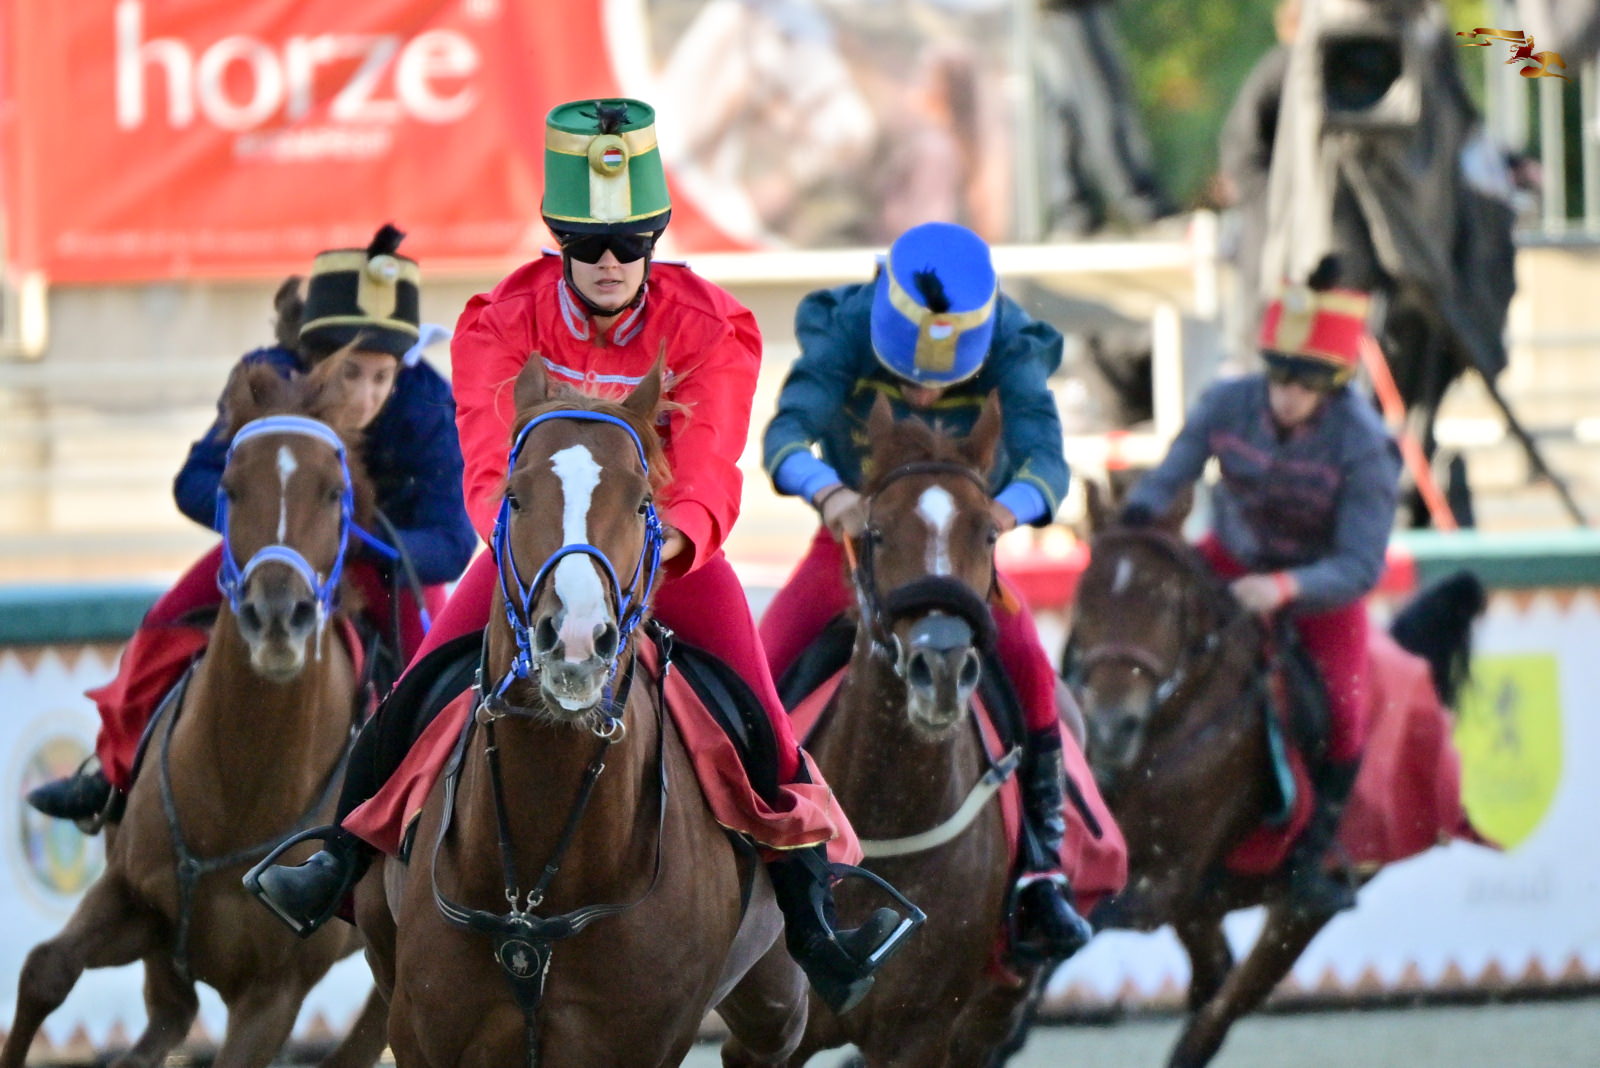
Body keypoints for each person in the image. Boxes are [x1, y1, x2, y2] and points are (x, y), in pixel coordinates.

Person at [247, 98, 909, 1016]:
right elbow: (489, 466)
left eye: (630, 245)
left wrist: (661, 546)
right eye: (589, 244)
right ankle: (336, 860)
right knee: (418, 687)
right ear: (559, 240)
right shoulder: (498, 320)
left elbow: (709, 465)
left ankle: (816, 920)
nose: (609, 263)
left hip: (660, 553)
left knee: (763, 720)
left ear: (654, 241)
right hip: (531, 550)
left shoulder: (713, 325)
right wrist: (532, 553)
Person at [26, 224, 477, 828]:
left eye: (382, 376)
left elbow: (453, 544)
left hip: (380, 565)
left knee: (433, 674)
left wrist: (351, 539)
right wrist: (267, 522)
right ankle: (112, 775)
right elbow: (193, 481)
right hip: (271, 550)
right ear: (314, 359)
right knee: (162, 624)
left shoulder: (427, 402)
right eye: (350, 373)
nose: (367, 396)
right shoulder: (264, 380)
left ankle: (423, 818)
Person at [760, 220, 1095, 962]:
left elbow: (1047, 460)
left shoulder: (1011, 340)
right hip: (855, 541)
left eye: (943, 379)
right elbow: (785, 436)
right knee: (758, 664)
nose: (925, 391)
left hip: (963, 548)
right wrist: (829, 493)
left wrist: (1003, 513)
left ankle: (1041, 866)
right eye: (907, 375)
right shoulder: (845, 325)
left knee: (1032, 669)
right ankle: (736, 853)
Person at [1117, 266, 1401, 916]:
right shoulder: (1225, 403)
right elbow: (1171, 474)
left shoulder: (1366, 446)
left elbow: (1361, 564)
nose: (1285, 395)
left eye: (1303, 384)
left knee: (1345, 715)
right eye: (1278, 377)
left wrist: (1285, 587)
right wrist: (1134, 519)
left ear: (1332, 386)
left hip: (1320, 589)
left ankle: (1314, 859)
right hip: (1226, 559)